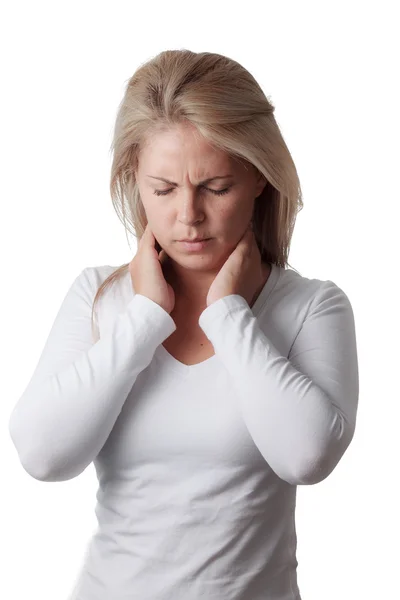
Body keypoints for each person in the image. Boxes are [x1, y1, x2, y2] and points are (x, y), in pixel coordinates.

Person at [8, 49, 359, 600]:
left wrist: (230, 318)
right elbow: (43, 456)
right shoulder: (99, 300)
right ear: (134, 179)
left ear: (261, 179)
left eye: (216, 188)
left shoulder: (312, 308)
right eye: (163, 189)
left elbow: (306, 457)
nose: (188, 215)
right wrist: (145, 316)